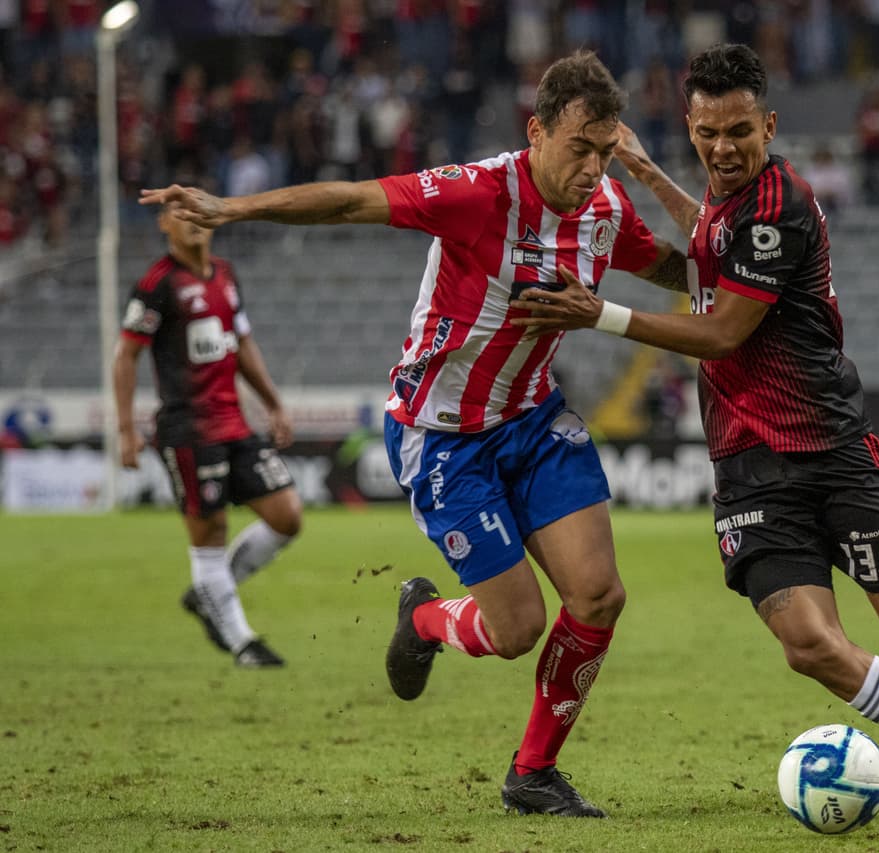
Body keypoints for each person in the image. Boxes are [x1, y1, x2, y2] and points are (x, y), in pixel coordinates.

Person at [140, 51, 687, 818]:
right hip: (444, 437)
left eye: (604, 151)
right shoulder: (478, 192)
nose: (593, 168)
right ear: (536, 131)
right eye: (578, 149)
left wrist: (707, 252)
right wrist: (231, 209)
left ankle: (533, 773)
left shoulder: (605, 209)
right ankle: (425, 618)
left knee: (598, 595)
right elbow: (348, 202)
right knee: (519, 627)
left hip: (532, 419)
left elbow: (669, 264)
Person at [510, 43, 879, 824]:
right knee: (810, 644)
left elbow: (725, 331)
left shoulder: (781, 202)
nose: (722, 149)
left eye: (738, 132)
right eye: (705, 133)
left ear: (768, 124)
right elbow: (704, 247)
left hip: (831, 451)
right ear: (689, 124)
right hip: (750, 471)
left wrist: (604, 314)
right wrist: (646, 171)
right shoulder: (728, 204)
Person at [113, 201, 303, 669]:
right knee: (210, 533)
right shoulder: (158, 285)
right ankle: (242, 644)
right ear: (164, 224)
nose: (192, 220)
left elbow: (241, 344)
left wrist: (273, 403)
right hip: (188, 430)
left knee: (287, 515)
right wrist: (125, 430)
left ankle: (210, 594)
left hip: (234, 423)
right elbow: (125, 357)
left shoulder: (225, 274)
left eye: (198, 211)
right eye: (179, 212)